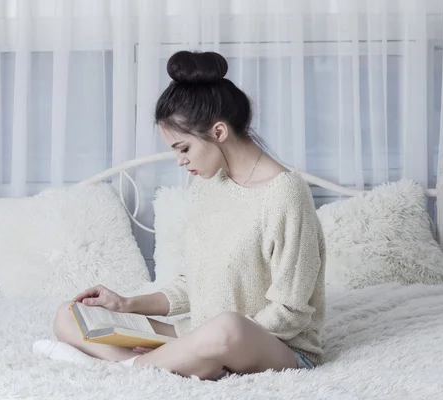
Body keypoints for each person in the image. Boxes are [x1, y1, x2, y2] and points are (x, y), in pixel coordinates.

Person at [45, 50, 326, 380]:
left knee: (227, 329)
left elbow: (292, 311)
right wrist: (125, 305)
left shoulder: (286, 193)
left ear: (218, 132)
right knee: (69, 315)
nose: (180, 161)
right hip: (200, 335)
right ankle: (165, 363)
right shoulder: (209, 184)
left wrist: (200, 342)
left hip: (275, 347)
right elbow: (193, 286)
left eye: (183, 148)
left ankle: (126, 368)